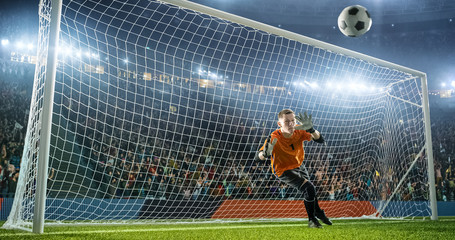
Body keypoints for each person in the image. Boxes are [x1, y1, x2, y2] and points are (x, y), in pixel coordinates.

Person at [255, 109, 332, 228]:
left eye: (293, 120)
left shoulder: (299, 130)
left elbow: (320, 140)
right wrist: (264, 154)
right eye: (287, 122)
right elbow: (258, 157)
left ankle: (318, 213)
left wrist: (312, 130)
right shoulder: (274, 137)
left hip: (299, 165)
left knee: (310, 191)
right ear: (279, 124)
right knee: (309, 188)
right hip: (283, 170)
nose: (291, 124)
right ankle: (312, 220)